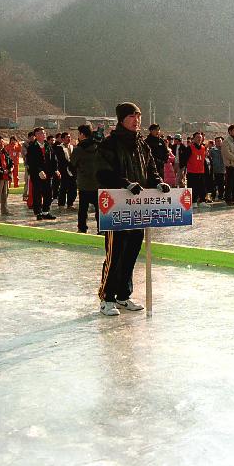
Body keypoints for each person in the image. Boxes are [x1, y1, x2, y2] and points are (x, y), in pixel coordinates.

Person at [96, 102, 171, 316]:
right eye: (132, 116)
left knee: (131, 252)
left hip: (138, 209)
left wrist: (157, 183)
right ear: (121, 119)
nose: (137, 120)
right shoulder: (109, 144)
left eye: (138, 116)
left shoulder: (142, 144)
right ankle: (106, 298)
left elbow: (151, 169)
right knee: (115, 253)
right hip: (116, 209)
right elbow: (103, 173)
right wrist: (125, 183)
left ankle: (123, 296)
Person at [70, 124, 100, 233]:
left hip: (84, 184)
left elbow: (71, 165)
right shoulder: (98, 146)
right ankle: (101, 229)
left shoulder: (79, 149)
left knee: (83, 209)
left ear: (82, 134)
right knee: (99, 209)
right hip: (98, 183)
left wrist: (77, 175)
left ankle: (82, 228)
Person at [25, 126, 59, 221]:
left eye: (44, 133)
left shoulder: (48, 146)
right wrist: (39, 170)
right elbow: (31, 161)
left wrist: (56, 169)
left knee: (48, 193)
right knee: (37, 194)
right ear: (36, 135)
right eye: (41, 133)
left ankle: (46, 211)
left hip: (48, 174)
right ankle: (38, 212)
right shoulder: (32, 147)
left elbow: (54, 159)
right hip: (37, 175)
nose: (43, 135)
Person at [55, 132, 77, 209]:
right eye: (67, 137)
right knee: (63, 188)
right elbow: (61, 160)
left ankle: (70, 204)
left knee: (73, 187)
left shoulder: (72, 147)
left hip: (73, 171)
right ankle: (61, 204)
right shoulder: (59, 148)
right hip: (64, 171)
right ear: (63, 139)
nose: (69, 138)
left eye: (69, 137)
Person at [186, 132, 208, 205]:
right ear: (194, 139)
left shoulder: (203, 148)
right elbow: (184, 159)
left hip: (201, 171)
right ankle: (193, 202)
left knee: (202, 187)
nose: (199, 139)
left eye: (200, 137)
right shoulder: (190, 148)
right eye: (197, 137)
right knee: (193, 188)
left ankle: (202, 201)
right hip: (192, 171)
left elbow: (203, 159)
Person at [209, 136, 225, 201]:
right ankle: (213, 196)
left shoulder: (224, 150)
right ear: (215, 142)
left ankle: (221, 196)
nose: (219, 142)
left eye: (220, 141)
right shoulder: (212, 150)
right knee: (214, 184)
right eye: (217, 141)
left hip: (222, 170)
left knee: (221, 184)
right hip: (214, 170)